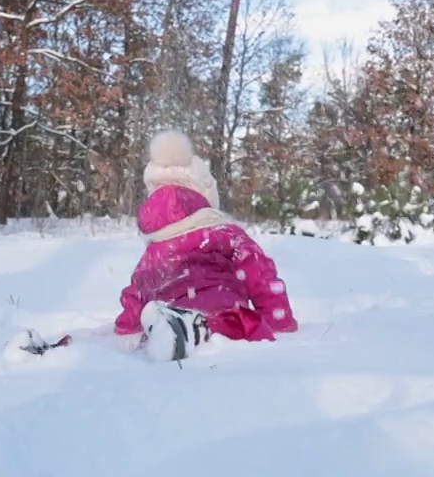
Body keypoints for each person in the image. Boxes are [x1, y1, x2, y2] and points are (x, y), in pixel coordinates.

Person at [114, 130, 298, 361]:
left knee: (164, 318)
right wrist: (279, 321)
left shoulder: (155, 249)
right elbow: (259, 274)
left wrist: (127, 328)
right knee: (245, 323)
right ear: (205, 193)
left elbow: (137, 290)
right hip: (222, 309)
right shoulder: (223, 232)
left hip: (168, 307)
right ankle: (195, 329)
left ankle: (170, 328)